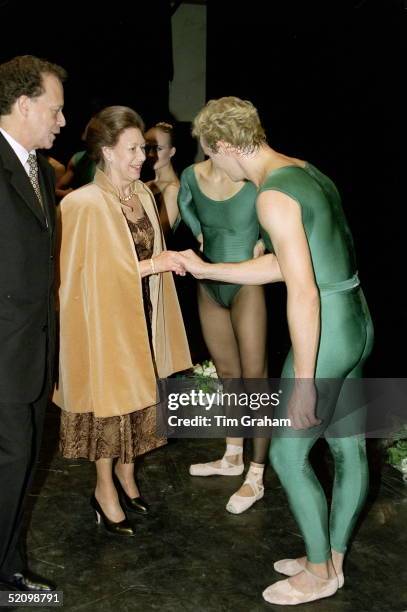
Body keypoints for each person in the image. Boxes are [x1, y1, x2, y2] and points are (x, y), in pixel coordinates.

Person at [180, 96, 374, 605]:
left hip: (327, 328)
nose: (211, 166)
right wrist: (204, 268)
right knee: (347, 446)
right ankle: (331, 559)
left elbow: (303, 293)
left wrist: (305, 381)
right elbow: (289, 266)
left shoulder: (271, 196)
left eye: (210, 154)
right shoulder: (307, 171)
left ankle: (317, 573)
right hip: (355, 316)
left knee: (288, 454)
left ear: (225, 145)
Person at [53, 106, 192, 537]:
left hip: (144, 316)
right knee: (110, 408)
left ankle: (128, 478)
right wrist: (157, 263)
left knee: (141, 402)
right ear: (106, 152)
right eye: (132, 149)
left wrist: (157, 267)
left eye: (144, 149)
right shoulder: (83, 204)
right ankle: (103, 489)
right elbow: (87, 279)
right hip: (105, 325)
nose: (142, 157)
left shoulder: (143, 195)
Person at [0, 55, 66, 592]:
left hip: (35, 351)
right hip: (2, 351)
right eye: (55, 109)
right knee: (11, 461)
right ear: (24, 105)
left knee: (20, 467)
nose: (61, 121)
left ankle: (10, 567)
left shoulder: (40, 169)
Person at [178, 159, 268, 514]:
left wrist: (264, 239)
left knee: (256, 380)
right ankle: (233, 457)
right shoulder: (191, 175)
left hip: (246, 285)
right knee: (229, 375)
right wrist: (199, 231)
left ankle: (256, 476)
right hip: (209, 284)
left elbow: (281, 217)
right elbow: (186, 202)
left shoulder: (257, 178)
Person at [144, 122, 181, 237]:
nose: (150, 154)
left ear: (172, 152)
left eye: (158, 148)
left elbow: (161, 237)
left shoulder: (173, 189)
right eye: (147, 147)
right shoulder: (146, 184)